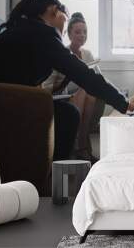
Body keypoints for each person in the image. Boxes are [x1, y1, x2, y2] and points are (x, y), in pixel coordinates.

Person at [0, 0, 134, 161]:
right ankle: (53, 178)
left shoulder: (24, 29)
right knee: (68, 114)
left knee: (63, 110)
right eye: (64, 18)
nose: (63, 27)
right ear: (53, 12)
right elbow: (85, 75)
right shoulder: (42, 34)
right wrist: (123, 103)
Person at [42, 12, 101, 161]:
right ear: (69, 34)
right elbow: (48, 86)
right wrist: (68, 79)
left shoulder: (87, 54)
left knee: (89, 91)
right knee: (84, 90)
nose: (82, 35)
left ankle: (81, 144)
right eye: (78, 32)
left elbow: (98, 78)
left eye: (85, 32)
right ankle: (81, 146)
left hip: (84, 95)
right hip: (62, 94)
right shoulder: (62, 53)